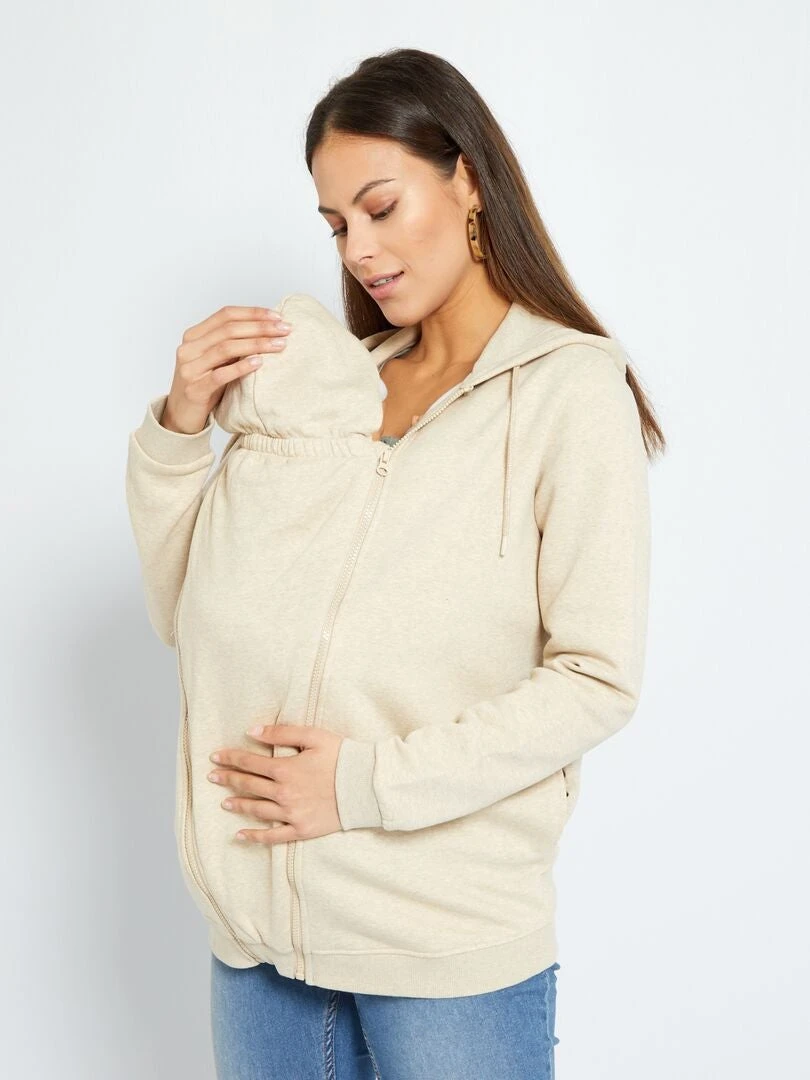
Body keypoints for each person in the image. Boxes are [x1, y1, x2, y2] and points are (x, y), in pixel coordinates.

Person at [125, 46, 665, 1080]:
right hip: (259, 939)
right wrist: (180, 431)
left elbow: (596, 678)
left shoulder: (570, 392)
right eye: (337, 225)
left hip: (442, 944)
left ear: (467, 180)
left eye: (380, 207)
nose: (360, 250)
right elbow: (186, 614)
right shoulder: (325, 397)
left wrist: (363, 785)